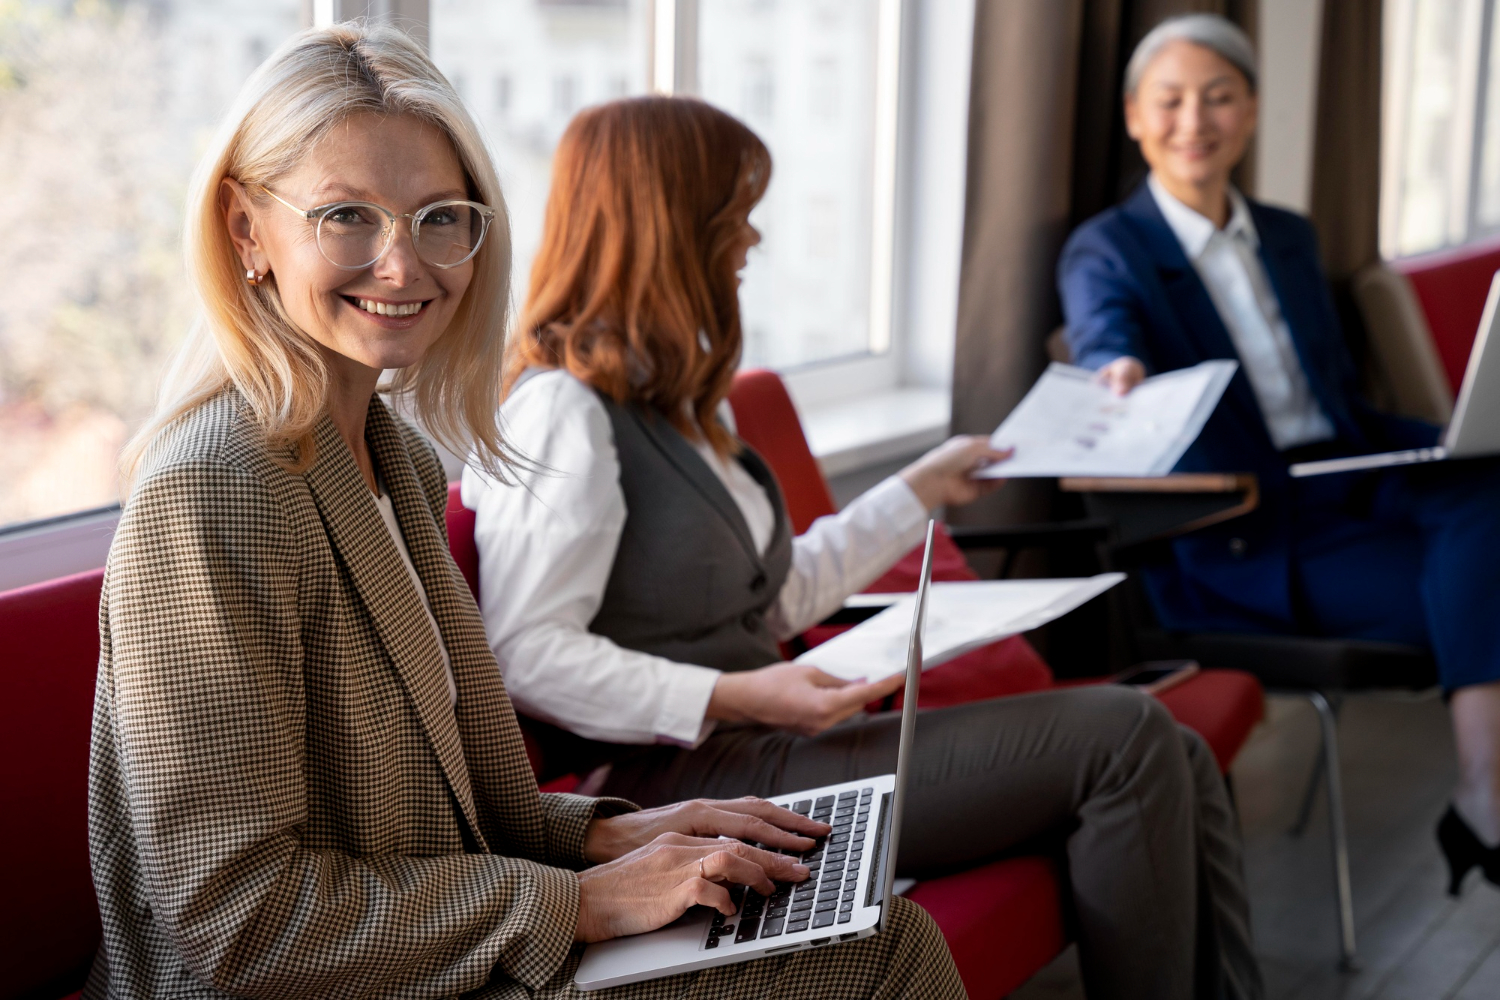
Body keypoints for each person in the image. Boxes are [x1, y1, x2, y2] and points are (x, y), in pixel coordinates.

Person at [87, 24, 967, 1000]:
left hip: (432, 941)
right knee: (887, 949)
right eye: (346, 216)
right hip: (330, 977)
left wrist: (617, 833)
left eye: (438, 218)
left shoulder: (397, 457)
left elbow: (449, 813)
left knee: (857, 909)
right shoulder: (212, 492)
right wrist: (585, 901)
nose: (402, 265)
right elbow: (241, 924)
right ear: (247, 228)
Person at [464, 95, 1263, 1000]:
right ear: (671, 223)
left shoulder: (674, 399)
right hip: (681, 782)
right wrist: (734, 690)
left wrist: (920, 490)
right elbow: (524, 654)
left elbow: (772, 598)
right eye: (736, 214)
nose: (752, 239)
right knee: (1124, 738)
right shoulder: (564, 413)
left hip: (755, 746)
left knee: (1176, 753)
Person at [1058, 13, 1500, 891]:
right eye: (1171, 101)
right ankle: (1485, 793)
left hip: (1347, 473)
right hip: (1249, 529)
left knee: (1486, 476)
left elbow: (1335, 394)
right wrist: (1118, 366)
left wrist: (1456, 442)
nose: (1196, 121)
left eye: (1218, 97)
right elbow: (1105, 328)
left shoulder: (1289, 235)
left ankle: (1485, 795)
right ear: (1135, 117)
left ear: (1250, 112)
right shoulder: (1108, 247)